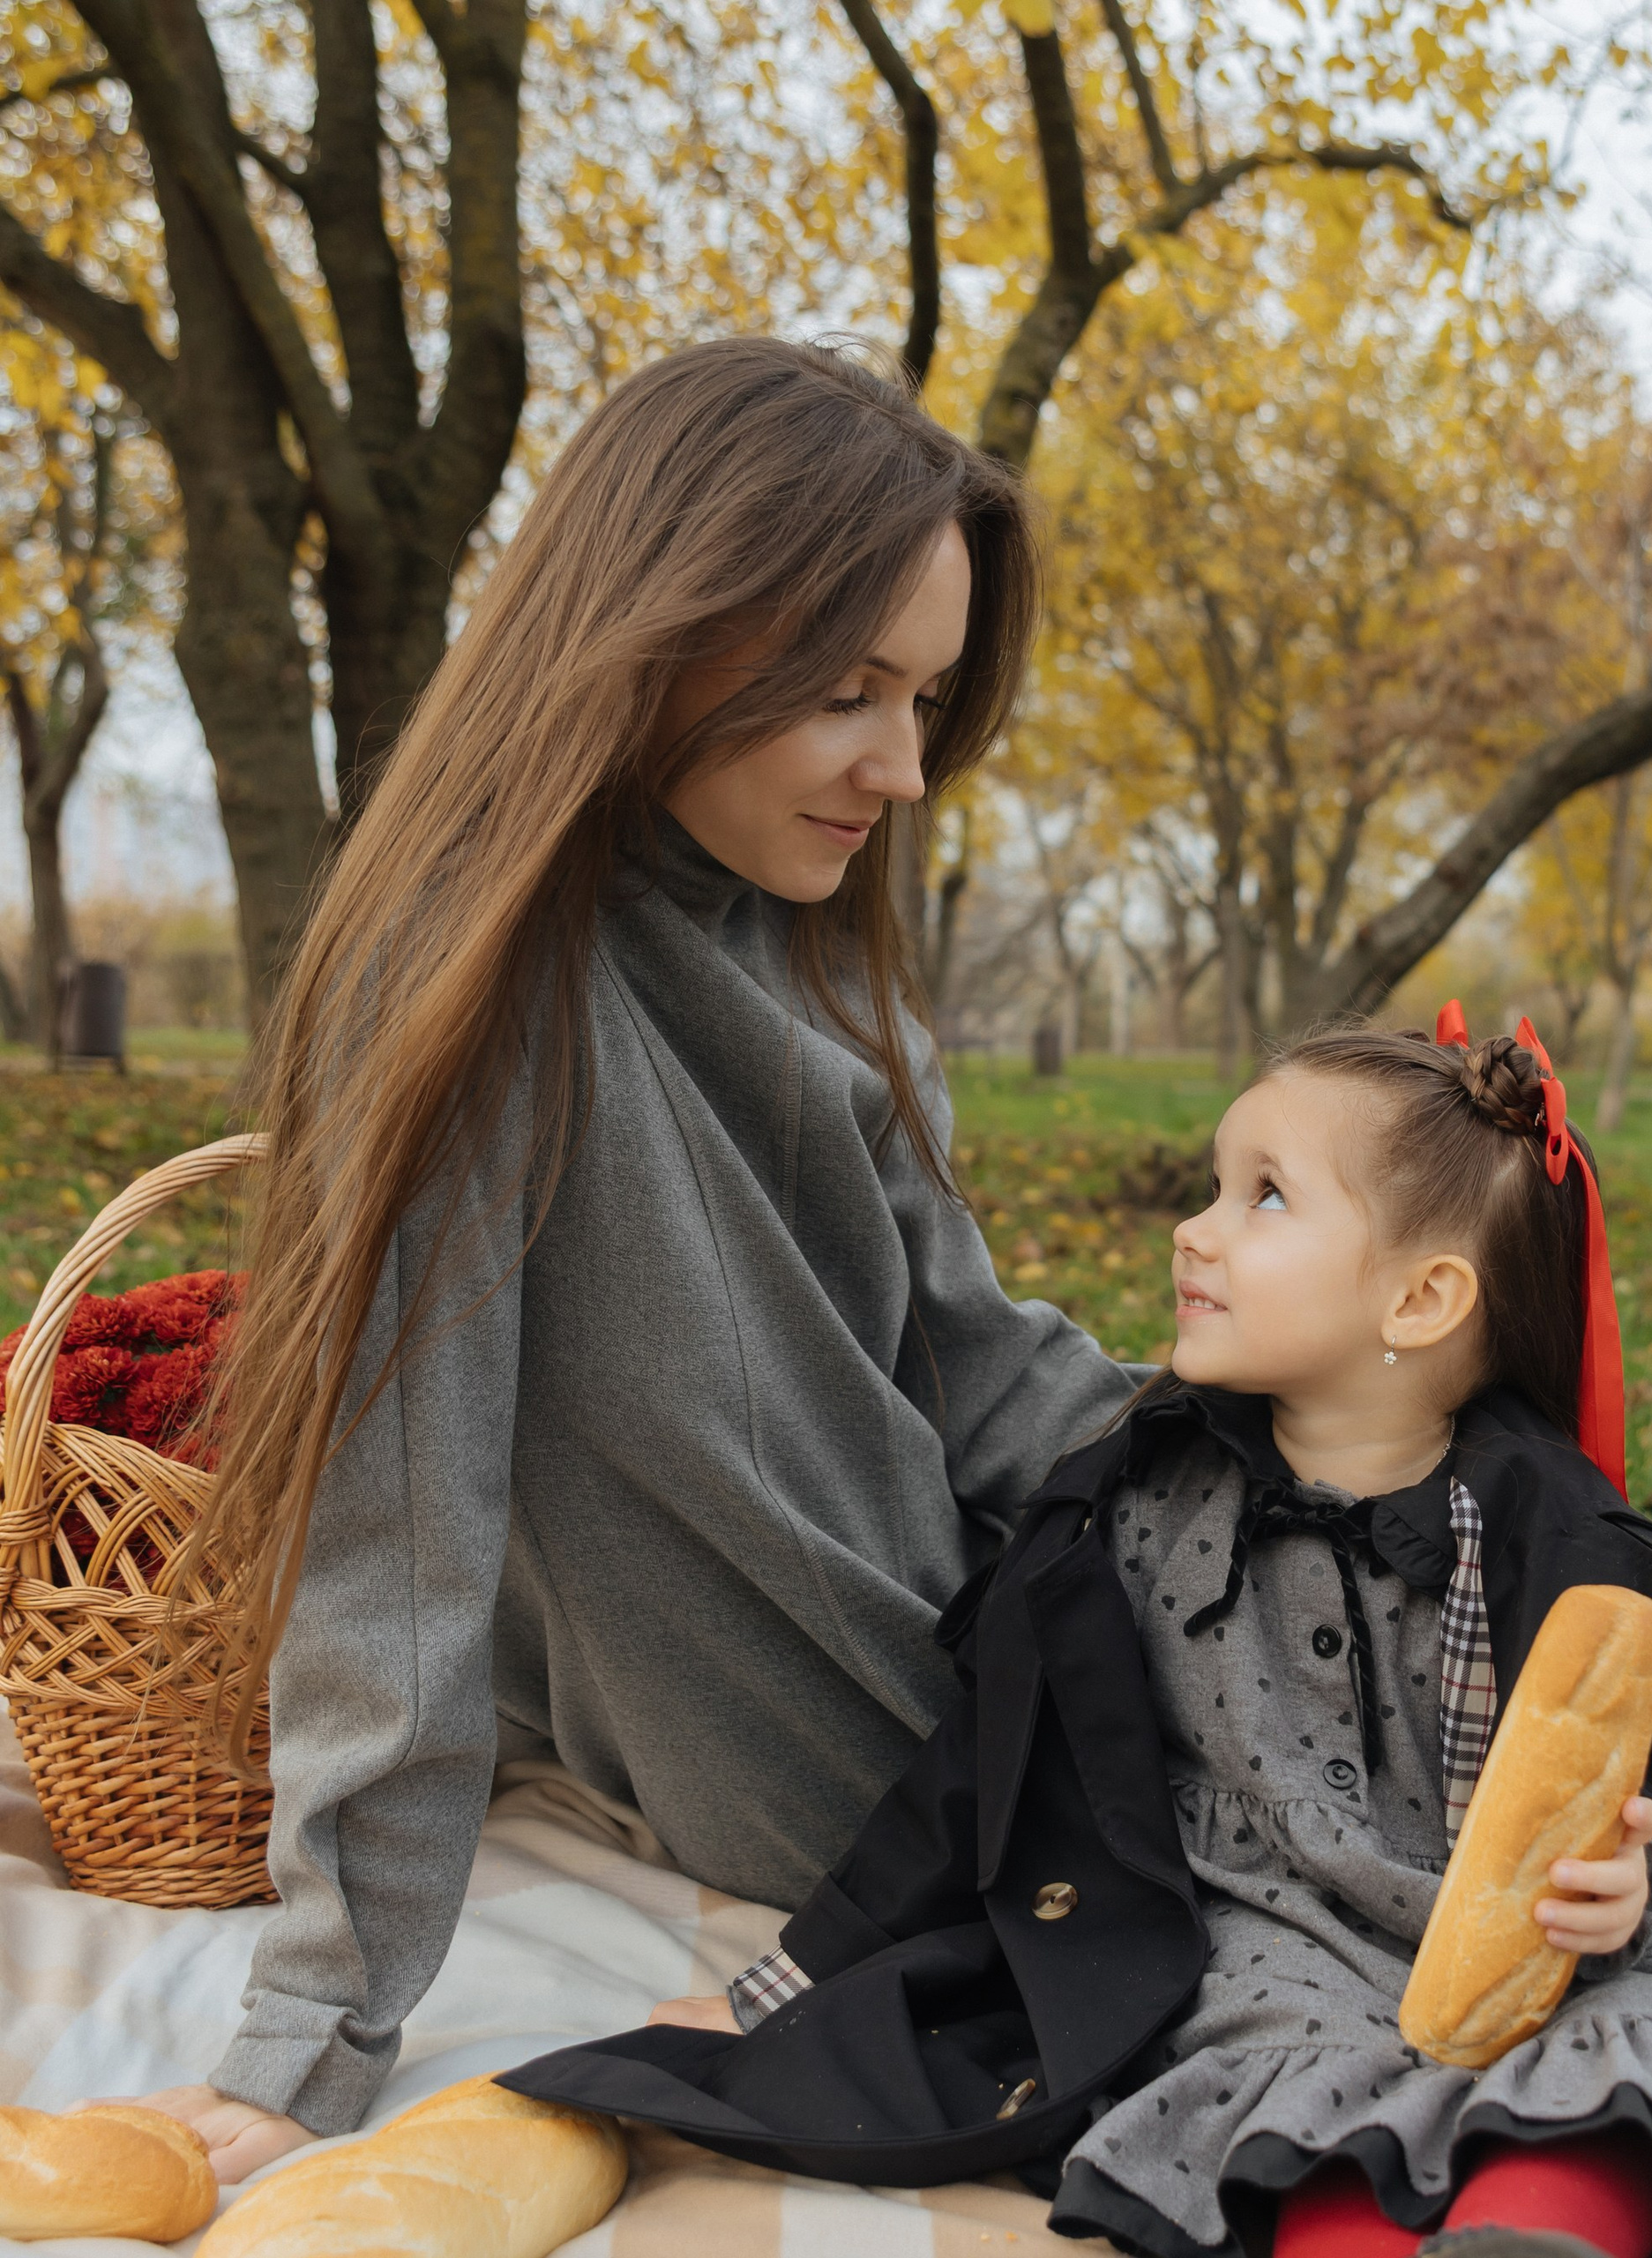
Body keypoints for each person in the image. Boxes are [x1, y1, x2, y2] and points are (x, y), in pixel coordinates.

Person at [505, 1016, 1652, 2257]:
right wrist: (767, 1988)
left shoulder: (1551, 1534)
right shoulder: (1123, 1507)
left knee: (1635, 2036)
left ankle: (1541, 2226)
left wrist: (1646, 1887)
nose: (1192, 1226)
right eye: (1211, 1180)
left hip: (1521, 1943)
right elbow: (963, 1793)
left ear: (1419, 1301)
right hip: (1264, 1942)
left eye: (1260, 1196)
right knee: (1273, 2080)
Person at [131, 337, 1138, 2180]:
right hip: (880, 1762)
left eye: (920, 699)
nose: (903, 767)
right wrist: (310, 2036)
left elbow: (980, 1368)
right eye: (850, 690)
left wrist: (1271, 1448)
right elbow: (399, 1531)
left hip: (999, 1616)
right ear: (670, 633)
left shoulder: (802, 934)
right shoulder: (475, 987)